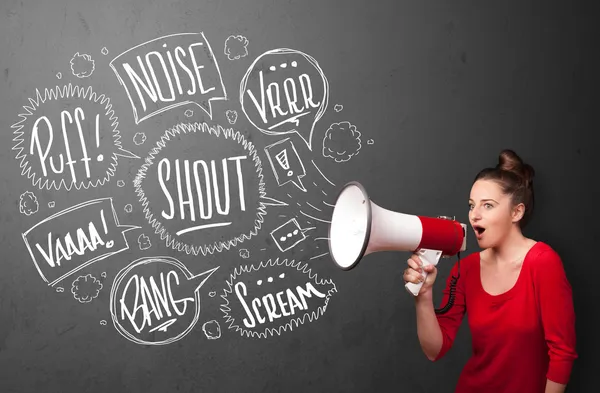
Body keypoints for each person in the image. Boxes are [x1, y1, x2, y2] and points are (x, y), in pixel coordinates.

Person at [403, 149, 578, 393]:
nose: (475, 215)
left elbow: (562, 353)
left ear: (517, 212)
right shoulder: (466, 269)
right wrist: (423, 296)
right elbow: (434, 350)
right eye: (471, 205)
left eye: (488, 205)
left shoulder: (543, 263)